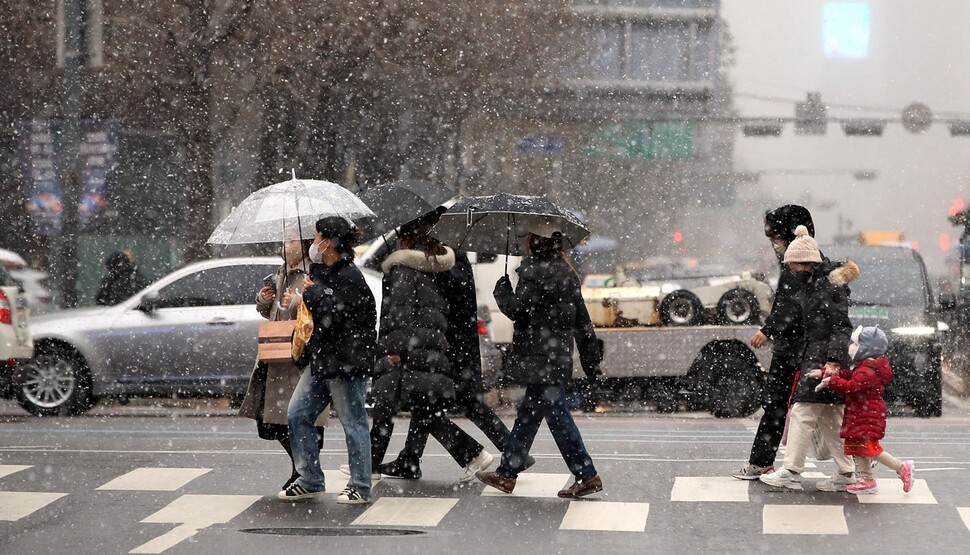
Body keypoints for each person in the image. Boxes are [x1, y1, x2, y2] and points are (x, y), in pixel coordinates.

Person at [374, 216, 520, 480]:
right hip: (443, 341)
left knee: (464, 403)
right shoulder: (443, 258)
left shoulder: (444, 262)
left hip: (449, 343)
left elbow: (443, 304)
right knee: (427, 404)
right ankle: (410, 459)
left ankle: (508, 453)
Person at [476, 232, 604, 498]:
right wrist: (591, 360)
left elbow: (520, 311)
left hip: (539, 357)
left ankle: (586, 474)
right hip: (557, 358)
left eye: (529, 239)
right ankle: (507, 474)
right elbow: (582, 322)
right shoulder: (568, 274)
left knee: (556, 416)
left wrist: (502, 293)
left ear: (536, 244)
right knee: (528, 415)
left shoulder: (533, 272)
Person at [280, 217, 377, 504]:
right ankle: (310, 478)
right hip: (322, 360)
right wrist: (300, 301)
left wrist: (313, 294)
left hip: (346, 363)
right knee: (297, 415)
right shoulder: (321, 271)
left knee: (353, 422)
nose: (313, 243)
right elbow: (319, 312)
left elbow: (340, 314)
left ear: (330, 242)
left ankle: (361, 485)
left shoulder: (351, 277)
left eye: (316, 237)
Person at [760, 225, 860, 491]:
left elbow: (841, 325)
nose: (790, 269)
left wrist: (833, 363)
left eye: (793, 264)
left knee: (803, 412)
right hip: (821, 356)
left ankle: (791, 470)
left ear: (805, 263)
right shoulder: (815, 283)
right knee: (829, 417)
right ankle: (847, 473)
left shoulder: (825, 285)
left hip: (823, 358)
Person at [238, 239, 327, 492]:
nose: (286, 244)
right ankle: (302, 469)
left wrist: (300, 301)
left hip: (297, 356)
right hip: (277, 354)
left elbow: (319, 310)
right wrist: (265, 300)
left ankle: (305, 473)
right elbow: (274, 313)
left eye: (291, 239)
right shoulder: (280, 272)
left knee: (298, 418)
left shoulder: (313, 271)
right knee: (273, 423)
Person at [734, 205, 815, 480]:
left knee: (780, 404)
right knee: (822, 407)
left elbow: (790, 305)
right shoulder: (809, 263)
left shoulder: (797, 266)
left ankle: (762, 462)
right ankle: (856, 461)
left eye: (775, 235)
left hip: (795, 348)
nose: (774, 242)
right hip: (803, 346)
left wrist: (768, 329)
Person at [814, 325, 915, 494]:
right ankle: (867, 480)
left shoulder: (868, 370)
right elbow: (851, 377)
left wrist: (832, 382)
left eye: (855, 344)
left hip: (866, 413)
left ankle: (901, 467)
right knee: (859, 447)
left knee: (869, 449)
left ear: (866, 348)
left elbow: (852, 386)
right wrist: (829, 373)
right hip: (861, 412)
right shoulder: (867, 367)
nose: (851, 347)